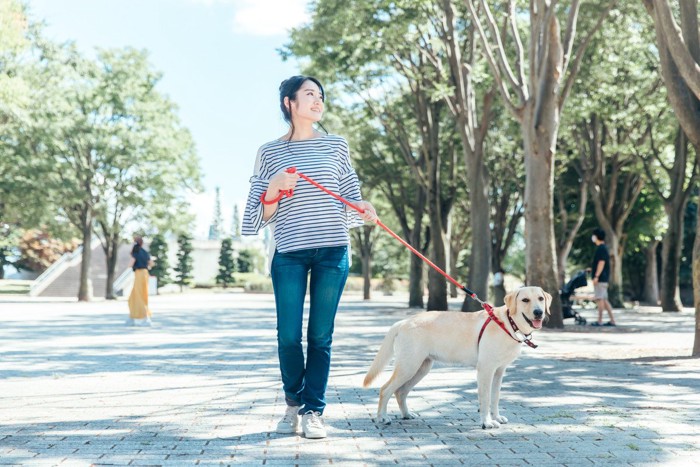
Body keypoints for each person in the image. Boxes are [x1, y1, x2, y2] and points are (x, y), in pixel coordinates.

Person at [242, 75, 377, 439]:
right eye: (309, 95)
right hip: (288, 252)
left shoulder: (336, 146)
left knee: (320, 336)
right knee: (288, 336)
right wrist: (272, 189)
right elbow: (260, 215)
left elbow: (350, 193)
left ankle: (313, 410)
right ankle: (292, 401)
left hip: (333, 250)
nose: (317, 101)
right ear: (289, 102)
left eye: (320, 96)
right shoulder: (270, 152)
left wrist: (363, 207)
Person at [589, 228, 616, 327]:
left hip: (600, 279)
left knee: (600, 299)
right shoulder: (603, 248)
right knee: (604, 300)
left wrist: (596, 276)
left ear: (596, 236)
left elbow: (601, 263)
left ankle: (599, 321)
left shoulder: (601, 248)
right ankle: (612, 320)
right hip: (603, 278)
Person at [127, 235, 154, 327]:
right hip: (145, 273)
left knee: (137, 295)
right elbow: (151, 263)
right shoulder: (145, 252)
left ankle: (140, 316)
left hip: (139, 273)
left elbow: (130, 264)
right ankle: (141, 315)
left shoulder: (136, 252)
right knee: (143, 294)